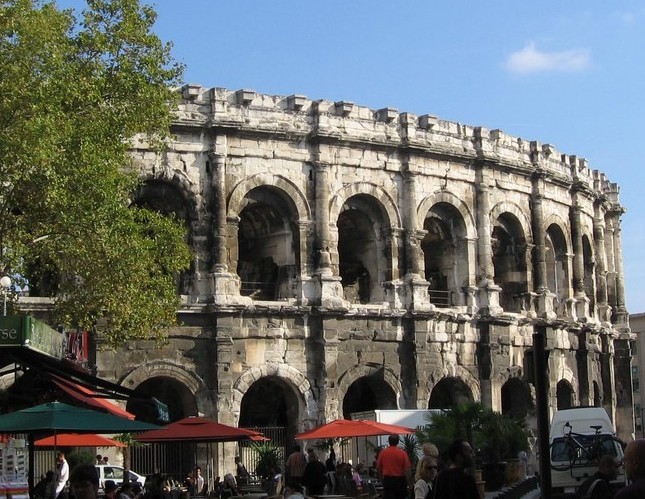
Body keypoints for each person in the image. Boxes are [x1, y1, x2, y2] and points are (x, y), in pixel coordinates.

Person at [376, 434, 412, 499]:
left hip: (388, 480)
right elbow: (407, 470)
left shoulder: (383, 453)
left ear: (389, 441)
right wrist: (409, 483)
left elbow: (379, 467)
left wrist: (381, 479)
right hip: (400, 481)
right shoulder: (402, 453)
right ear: (398, 442)